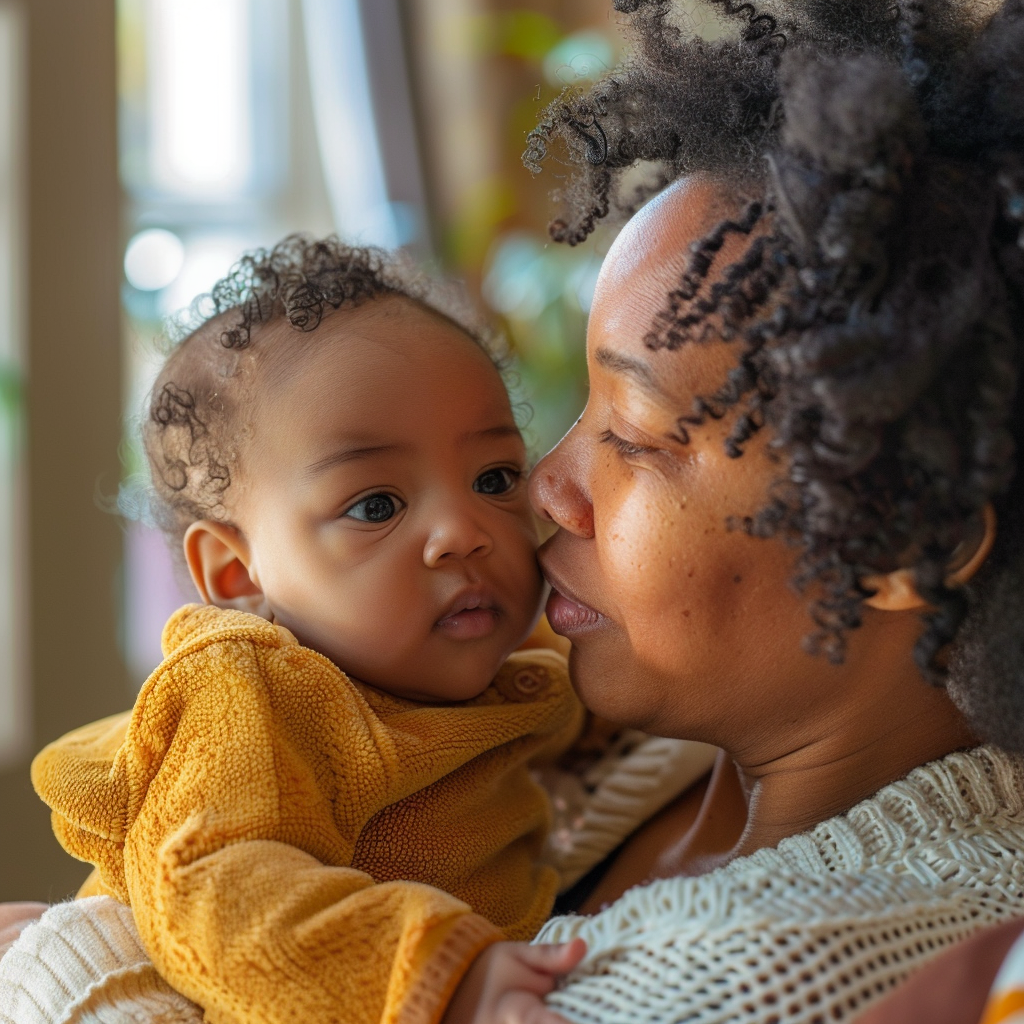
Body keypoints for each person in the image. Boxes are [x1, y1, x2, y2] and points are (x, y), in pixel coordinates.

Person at [5, 0, 1024, 1021]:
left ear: (899, 537)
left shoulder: (768, 973)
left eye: (634, 434)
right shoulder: (639, 741)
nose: (542, 484)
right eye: (578, 410)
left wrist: (67, 971)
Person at [6, 237, 718, 1024]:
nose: (463, 532)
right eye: (376, 506)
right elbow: (217, 892)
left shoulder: (503, 661)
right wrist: (441, 975)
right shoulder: (253, 694)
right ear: (238, 575)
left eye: (494, 479)